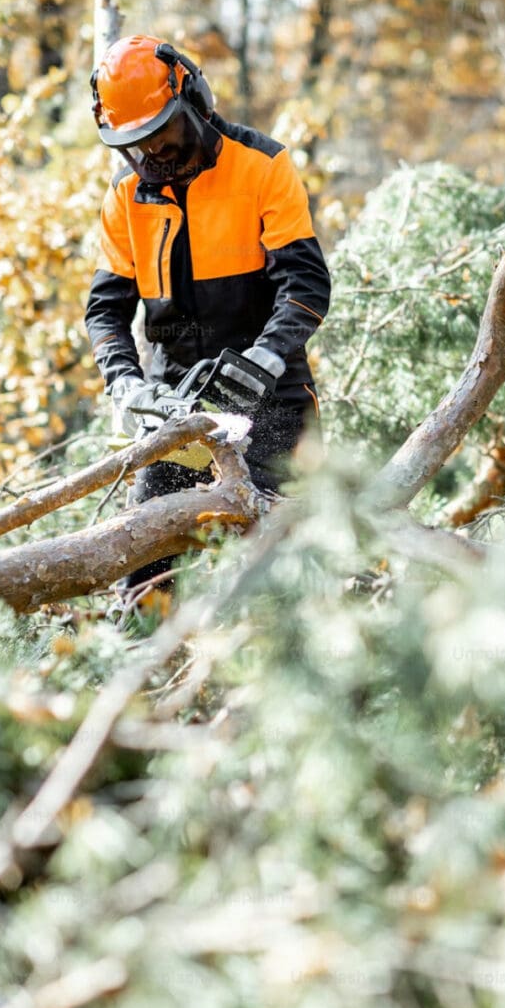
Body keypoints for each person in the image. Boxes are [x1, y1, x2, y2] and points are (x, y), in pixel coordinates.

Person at [84, 34, 331, 606]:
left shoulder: (263, 166)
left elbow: (306, 282)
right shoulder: (125, 198)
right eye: (137, 146)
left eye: (164, 136)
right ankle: (144, 676)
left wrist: (265, 357)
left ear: (195, 100)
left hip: (273, 400)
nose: (154, 156)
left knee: (286, 575)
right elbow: (107, 307)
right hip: (177, 405)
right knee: (146, 572)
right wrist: (124, 381)